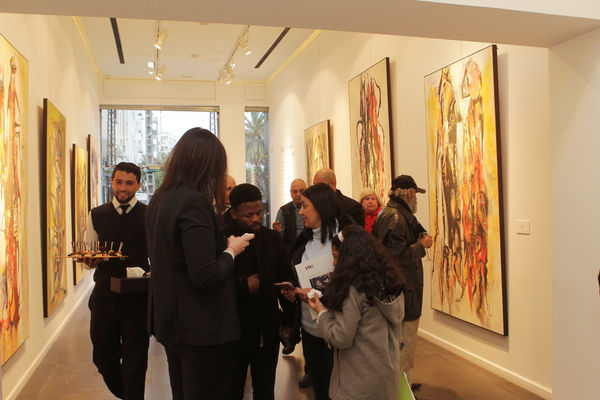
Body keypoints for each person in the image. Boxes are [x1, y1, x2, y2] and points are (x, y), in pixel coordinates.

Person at [145, 128, 253, 399]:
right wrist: (231, 250)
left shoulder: (159, 198)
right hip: (201, 328)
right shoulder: (194, 202)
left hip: (171, 321)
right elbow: (205, 275)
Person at [308, 225, 406, 400]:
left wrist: (321, 312)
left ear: (349, 258)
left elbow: (341, 337)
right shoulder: (389, 282)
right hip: (385, 382)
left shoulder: (353, 289)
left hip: (357, 385)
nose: (334, 263)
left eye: (336, 257)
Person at [224, 183, 298, 400]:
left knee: (265, 390)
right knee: (231, 390)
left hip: (266, 328)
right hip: (232, 331)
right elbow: (213, 282)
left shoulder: (271, 239)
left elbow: (285, 276)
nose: (256, 219)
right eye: (249, 215)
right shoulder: (222, 239)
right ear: (234, 214)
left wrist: (289, 313)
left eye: (259, 212)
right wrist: (243, 286)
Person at [84, 161, 150, 400]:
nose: (123, 188)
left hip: (138, 297)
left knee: (136, 360)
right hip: (105, 296)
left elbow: (159, 253)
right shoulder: (96, 214)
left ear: (138, 185)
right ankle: (128, 394)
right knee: (103, 358)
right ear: (111, 182)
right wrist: (89, 261)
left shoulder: (149, 214)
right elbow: (88, 256)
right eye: (119, 182)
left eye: (129, 183)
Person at [372, 174, 433, 388]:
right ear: (409, 193)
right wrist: (421, 246)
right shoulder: (397, 217)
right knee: (404, 344)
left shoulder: (389, 213)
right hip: (404, 290)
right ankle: (402, 390)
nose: (416, 199)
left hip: (397, 290)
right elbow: (397, 256)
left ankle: (401, 385)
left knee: (398, 344)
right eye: (415, 194)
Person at [281, 183, 340, 400]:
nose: (300, 212)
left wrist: (318, 294)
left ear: (321, 207)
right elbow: (297, 275)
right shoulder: (303, 242)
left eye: (305, 206)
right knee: (320, 391)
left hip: (336, 332)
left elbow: (354, 289)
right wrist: (293, 291)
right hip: (309, 330)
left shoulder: (344, 241)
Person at [273, 178, 307, 253]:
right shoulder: (283, 210)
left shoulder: (313, 208)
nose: (298, 194)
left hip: (309, 249)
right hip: (290, 252)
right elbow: (278, 238)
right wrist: (277, 232)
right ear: (290, 193)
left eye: (301, 191)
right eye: (295, 191)